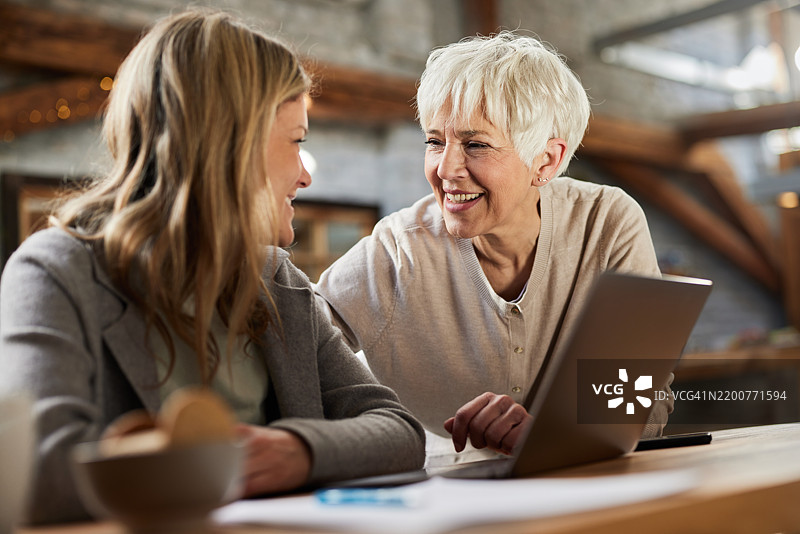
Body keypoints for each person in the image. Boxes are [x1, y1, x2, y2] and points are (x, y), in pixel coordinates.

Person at [0, 9, 424, 525]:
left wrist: (298, 450)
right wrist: (219, 466)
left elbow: (398, 431)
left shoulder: (276, 278)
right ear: (231, 146)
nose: (304, 176)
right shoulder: (55, 275)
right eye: (296, 142)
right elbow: (41, 478)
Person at [315, 32, 673, 466]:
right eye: (434, 141)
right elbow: (288, 347)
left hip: (580, 485)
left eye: (475, 145)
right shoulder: (398, 251)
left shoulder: (606, 223)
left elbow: (643, 400)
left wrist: (553, 433)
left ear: (546, 161)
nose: (445, 169)